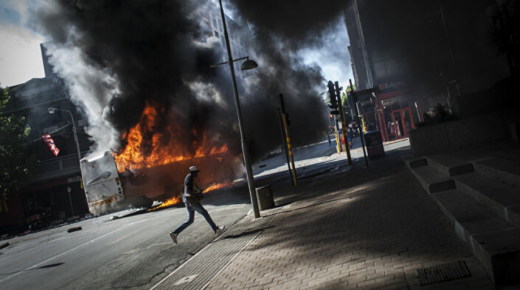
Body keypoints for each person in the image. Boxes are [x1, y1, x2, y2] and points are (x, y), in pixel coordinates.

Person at [169, 166, 224, 244]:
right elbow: (187, 189)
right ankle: (216, 230)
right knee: (205, 214)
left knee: (190, 220)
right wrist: (195, 197)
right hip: (192, 201)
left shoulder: (188, 178)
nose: (197, 174)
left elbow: (186, 190)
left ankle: (175, 233)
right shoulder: (190, 178)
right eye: (196, 172)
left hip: (188, 201)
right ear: (193, 172)